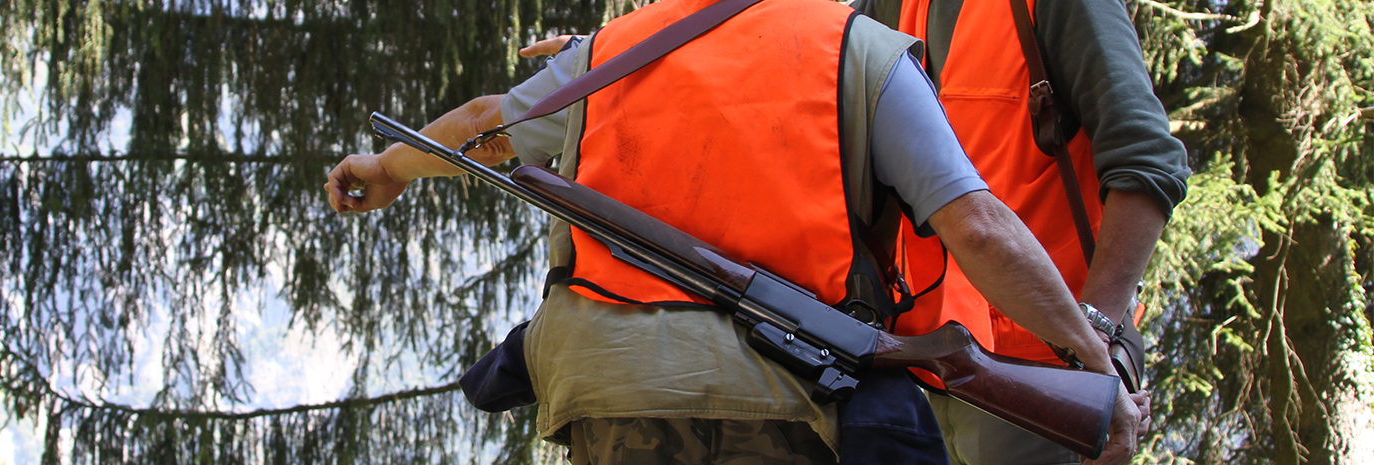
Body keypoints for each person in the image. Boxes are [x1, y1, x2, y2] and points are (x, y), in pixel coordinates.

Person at [326, 0, 1143, 463]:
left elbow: (481, 127)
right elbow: (983, 230)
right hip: (798, 409)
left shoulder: (610, 53)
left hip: (610, 403)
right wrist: (1094, 357)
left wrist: (389, 167)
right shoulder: (863, 52)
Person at [840, 0, 1190, 463]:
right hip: (913, 365)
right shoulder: (882, 6)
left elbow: (1146, 161)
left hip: (1040, 382)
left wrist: (1094, 338)